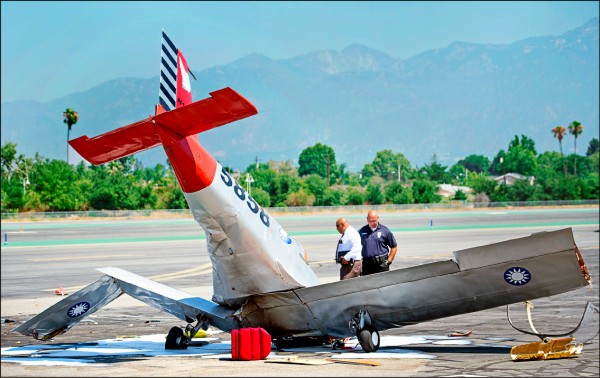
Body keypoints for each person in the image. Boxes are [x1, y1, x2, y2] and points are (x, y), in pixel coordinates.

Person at [359, 210, 397, 275]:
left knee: (383, 283)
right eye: (370, 221)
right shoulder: (361, 231)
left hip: (381, 263)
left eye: (374, 221)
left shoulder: (385, 231)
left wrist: (389, 261)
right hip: (367, 264)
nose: (372, 223)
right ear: (367, 219)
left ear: (378, 218)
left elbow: (394, 247)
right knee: (367, 283)